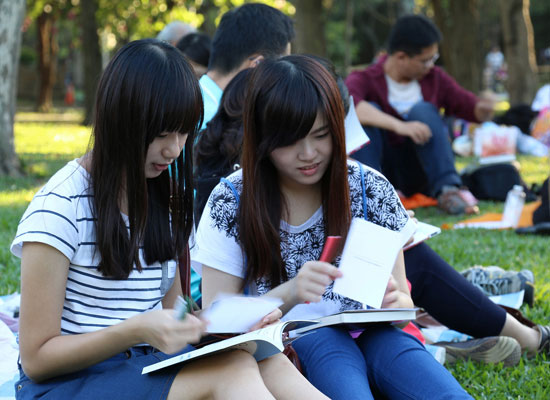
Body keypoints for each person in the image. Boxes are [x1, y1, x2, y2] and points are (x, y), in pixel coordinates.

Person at [10, 39, 329, 400]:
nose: (174, 149)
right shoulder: (60, 207)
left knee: (261, 358)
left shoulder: (168, 199)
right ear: (120, 122)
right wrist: (133, 331)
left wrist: (231, 326)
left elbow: (177, 315)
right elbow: (36, 359)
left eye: (183, 132)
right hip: (68, 383)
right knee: (232, 372)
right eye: (162, 134)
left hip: (144, 363)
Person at [193, 55, 549, 366]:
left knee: (403, 308)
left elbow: (398, 307)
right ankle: (458, 340)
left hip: (368, 334)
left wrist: (397, 299)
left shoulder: (364, 184)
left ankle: (455, 337)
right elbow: (218, 324)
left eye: (322, 135)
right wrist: (291, 292)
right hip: (289, 347)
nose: (309, 153)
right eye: (292, 140)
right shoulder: (233, 196)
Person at [345, 14, 495, 215]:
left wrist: (484, 109)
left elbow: (466, 104)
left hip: (421, 169)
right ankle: (372, 196)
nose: (430, 65)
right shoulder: (364, 78)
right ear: (401, 57)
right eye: (425, 60)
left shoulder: (434, 78)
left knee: (423, 110)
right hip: (383, 167)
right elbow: (349, 106)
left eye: (433, 59)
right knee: (367, 113)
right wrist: (401, 126)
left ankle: (448, 190)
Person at [198, 3, 294, 129]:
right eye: (281, 70)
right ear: (257, 65)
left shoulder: (191, 105)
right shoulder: (212, 125)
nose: (283, 79)